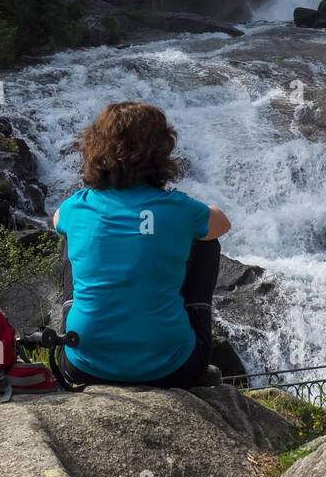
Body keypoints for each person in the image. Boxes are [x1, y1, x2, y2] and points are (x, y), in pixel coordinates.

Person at [52, 101, 230, 388]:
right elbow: (222, 223)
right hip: (173, 369)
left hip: (81, 365)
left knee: (70, 236)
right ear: (162, 152)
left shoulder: (77, 207)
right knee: (206, 240)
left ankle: (72, 323)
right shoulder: (179, 208)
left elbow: (56, 219)